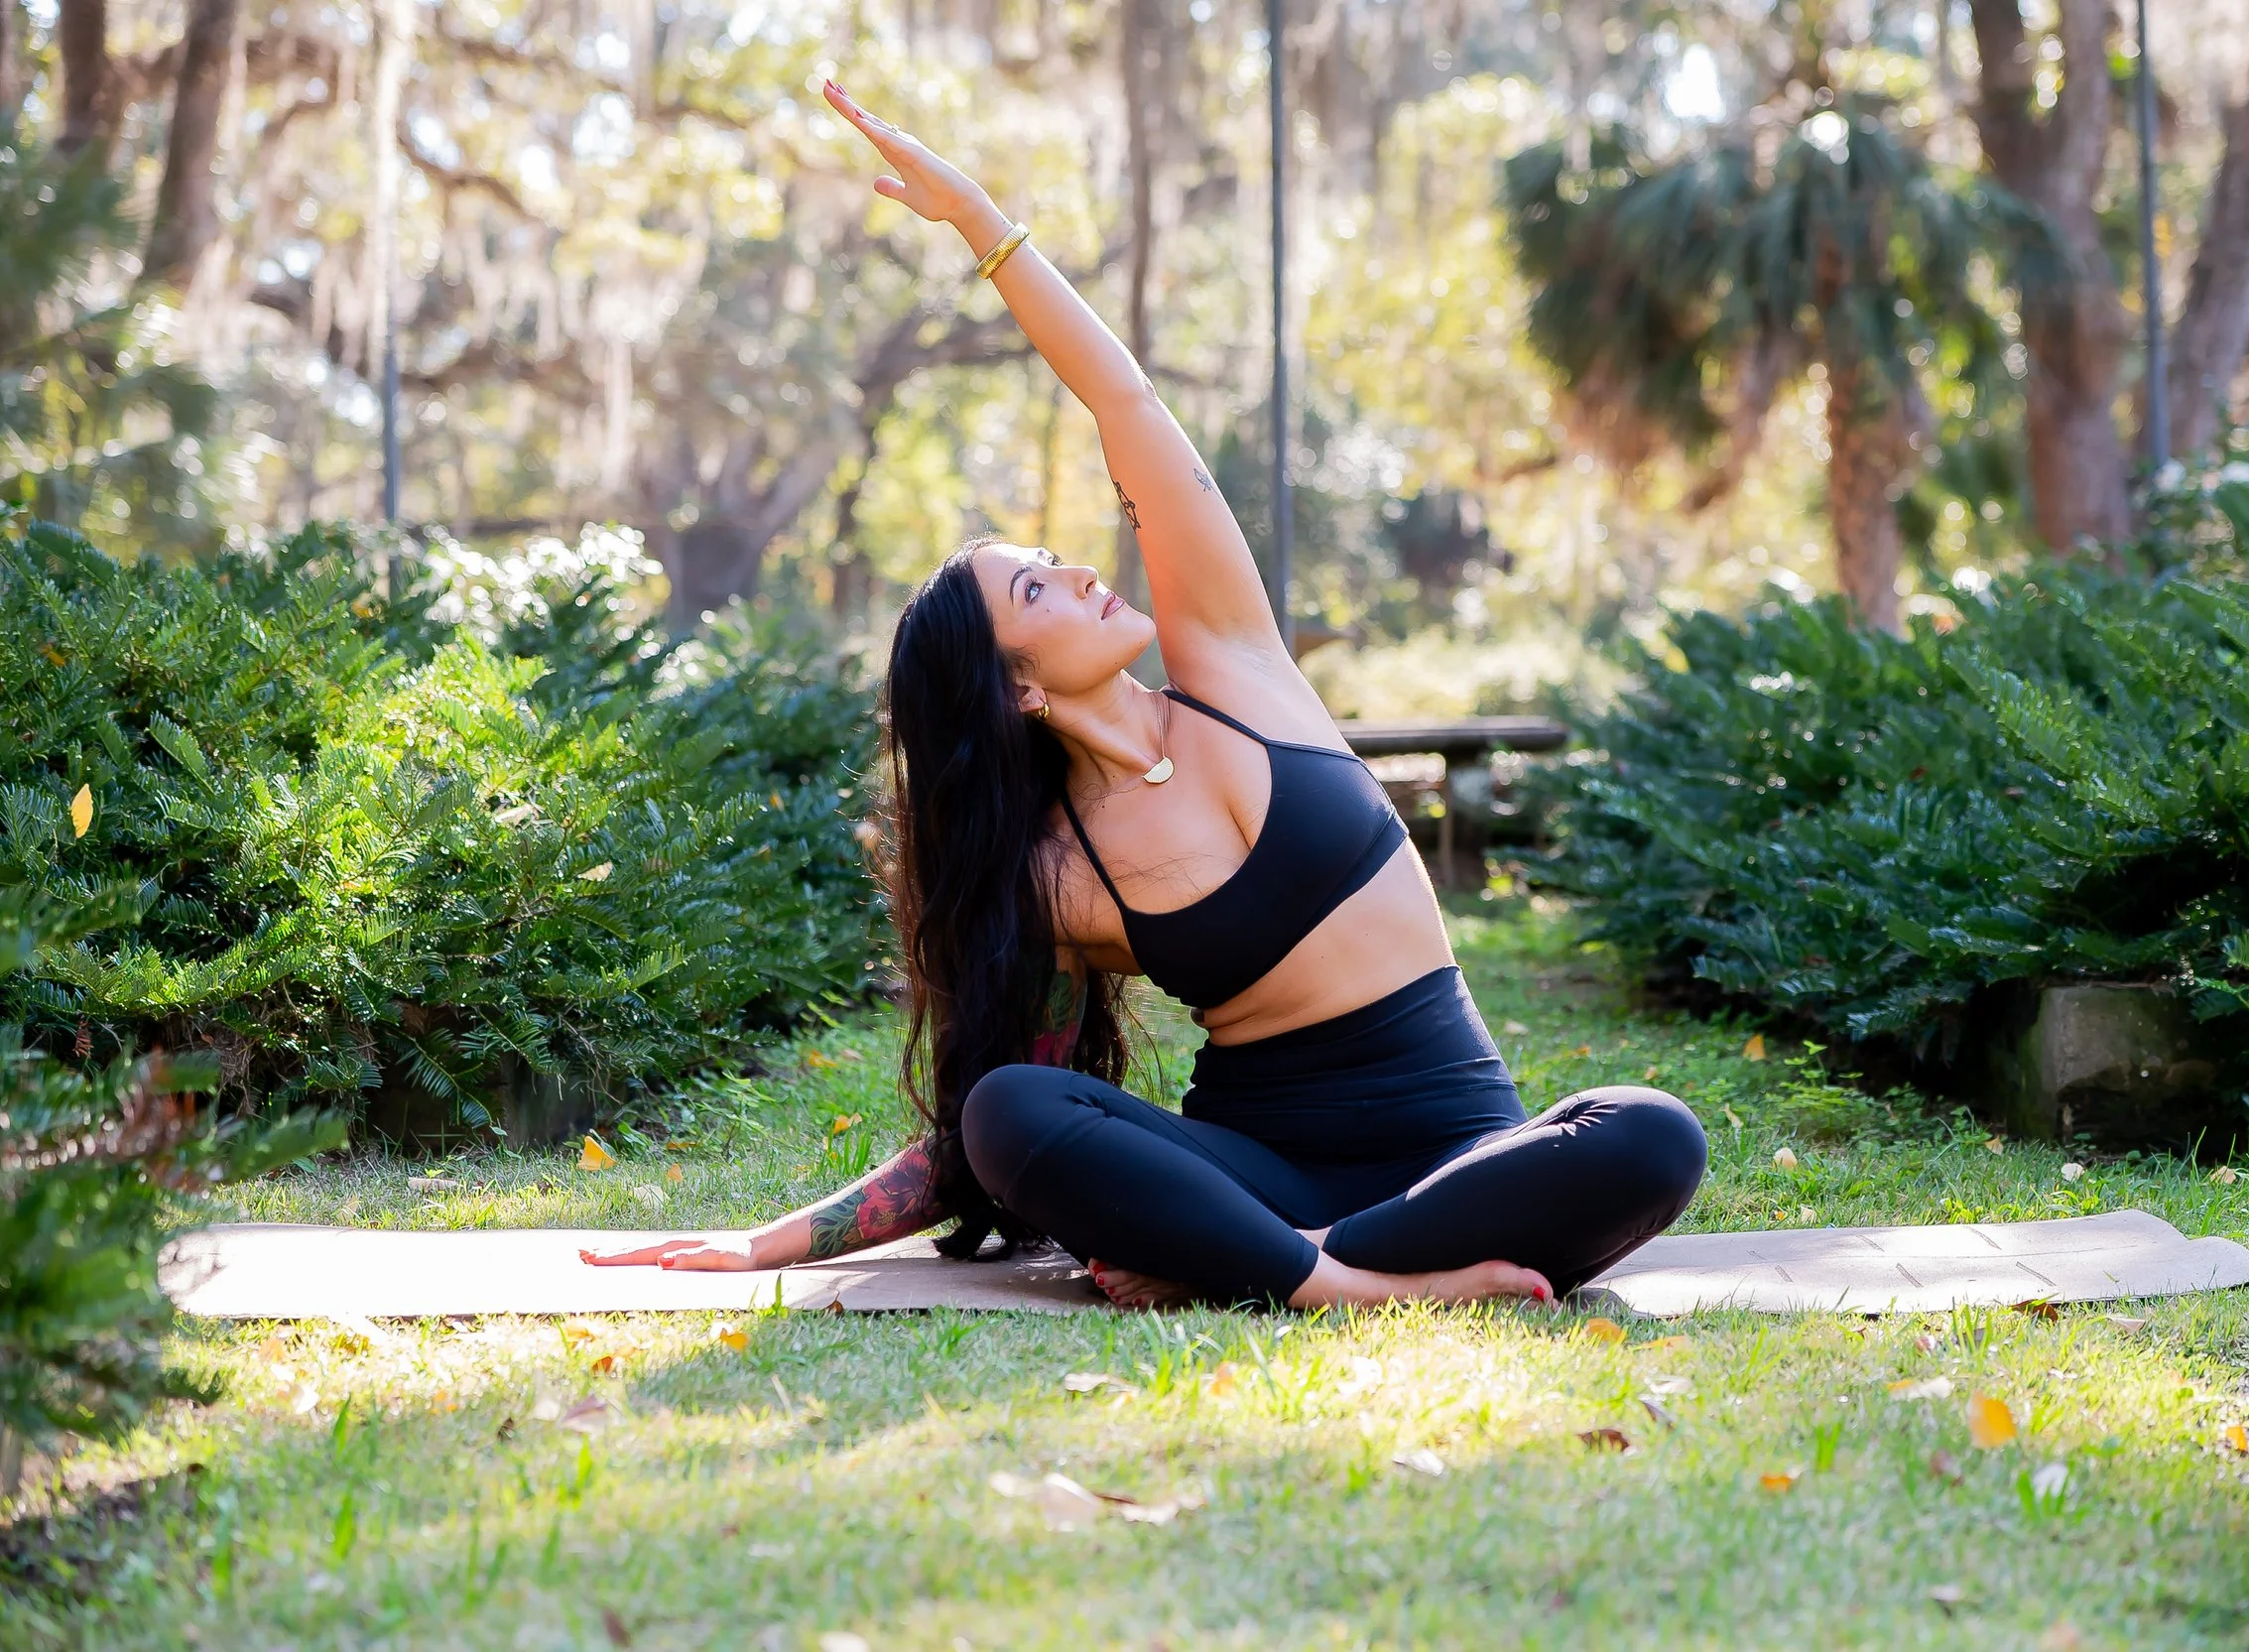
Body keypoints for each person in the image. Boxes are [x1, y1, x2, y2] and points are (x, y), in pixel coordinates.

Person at [583, 77, 1704, 1310]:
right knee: (1017, 1106)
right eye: (1035, 593)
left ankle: (1271, 1265)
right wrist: (767, 1245)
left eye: (1051, 562)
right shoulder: (1058, 874)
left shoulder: (1233, 666)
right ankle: (1343, 1283)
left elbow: (1126, 404)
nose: (1073, 568)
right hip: (1258, 1172)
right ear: (1010, 690)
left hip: (1460, 1160)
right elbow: (980, 1137)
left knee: (1654, 1136)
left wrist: (983, 228)